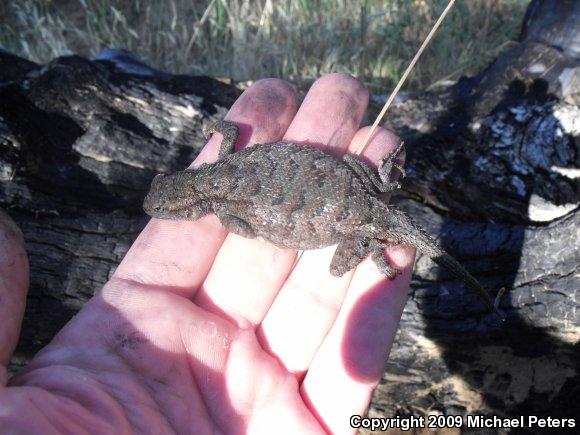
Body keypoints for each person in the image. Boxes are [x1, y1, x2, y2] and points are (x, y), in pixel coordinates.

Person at [0, 73, 415, 434]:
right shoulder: (220, 166)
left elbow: (246, 224)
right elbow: (231, 135)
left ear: (189, 206)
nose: (161, 214)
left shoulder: (222, 205)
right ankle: (376, 219)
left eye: (166, 209)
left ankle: (373, 241)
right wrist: (218, 129)